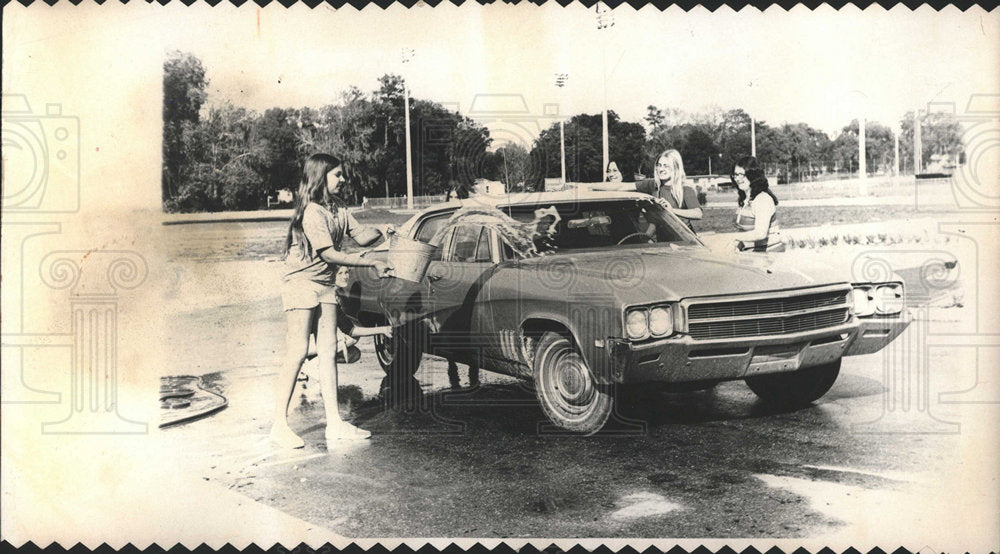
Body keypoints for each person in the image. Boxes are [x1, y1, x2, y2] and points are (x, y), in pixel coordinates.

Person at [272, 153, 394, 450]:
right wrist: (371, 263)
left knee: (328, 351)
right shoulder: (312, 212)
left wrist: (383, 231)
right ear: (321, 176)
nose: (343, 179)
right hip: (300, 283)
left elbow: (361, 237)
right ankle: (278, 426)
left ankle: (334, 424)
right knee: (298, 351)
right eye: (337, 174)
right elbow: (329, 254)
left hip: (325, 285)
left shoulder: (338, 207)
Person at [594, 149, 703, 232]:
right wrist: (589, 187)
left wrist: (671, 210)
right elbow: (621, 186)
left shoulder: (685, 189)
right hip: (663, 241)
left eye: (666, 166)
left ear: (676, 168)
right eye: (659, 165)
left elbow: (698, 214)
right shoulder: (652, 185)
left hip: (685, 240)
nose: (661, 169)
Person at [730, 156, 784, 252]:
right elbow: (744, 232)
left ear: (753, 176)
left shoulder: (762, 199)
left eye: (742, 174)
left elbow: (760, 233)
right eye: (735, 174)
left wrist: (732, 237)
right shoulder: (745, 199)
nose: (737, 179)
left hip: (770, 254)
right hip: (752, 254)